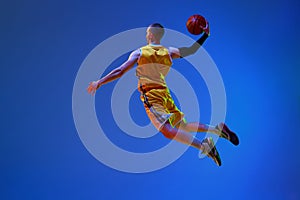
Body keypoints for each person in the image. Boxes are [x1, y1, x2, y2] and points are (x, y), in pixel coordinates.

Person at [87, 22, 239, 166]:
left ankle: (204, 146)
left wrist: (99, 82)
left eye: (147, 33)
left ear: (151, 35)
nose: (146, 36)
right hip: (164, 93)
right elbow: (191, 50)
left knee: (167, 131)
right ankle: (216, 129)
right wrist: (205, 35)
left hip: (151, 96)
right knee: (183, 126)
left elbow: (120, 70)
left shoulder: (140, 52)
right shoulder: (169, 51)